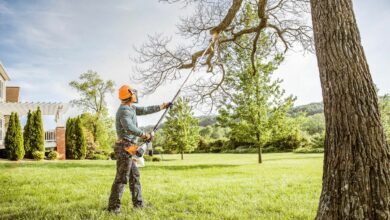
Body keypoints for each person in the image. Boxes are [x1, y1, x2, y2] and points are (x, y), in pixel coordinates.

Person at [107, 85, 171, 213]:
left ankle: (138, 205)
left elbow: (145, 109)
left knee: (134, 176)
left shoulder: (131, 108)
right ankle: (113, 209)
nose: (136, 95)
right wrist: (144, 135)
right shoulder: (124, 110)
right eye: (134, 93)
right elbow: (129, 127)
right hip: (124, 147)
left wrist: (162, 106)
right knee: (121, 178)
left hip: (130, 147)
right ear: (129, 95)